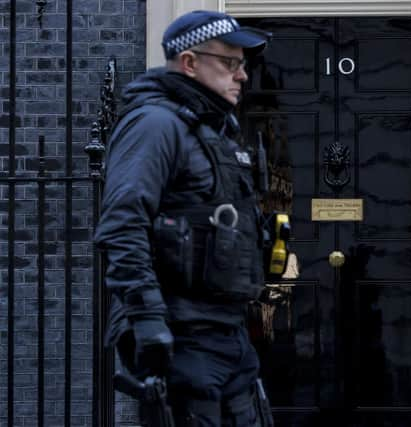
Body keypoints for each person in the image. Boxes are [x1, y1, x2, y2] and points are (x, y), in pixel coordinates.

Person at [94, 10, 274, 427]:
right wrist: (148, 318)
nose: (242, 75)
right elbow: (122, 224)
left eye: (242, 64)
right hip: (182, 335)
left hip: (226, 333)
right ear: (190, 62)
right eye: (229, 63)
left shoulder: (212, 131)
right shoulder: (155, 124)